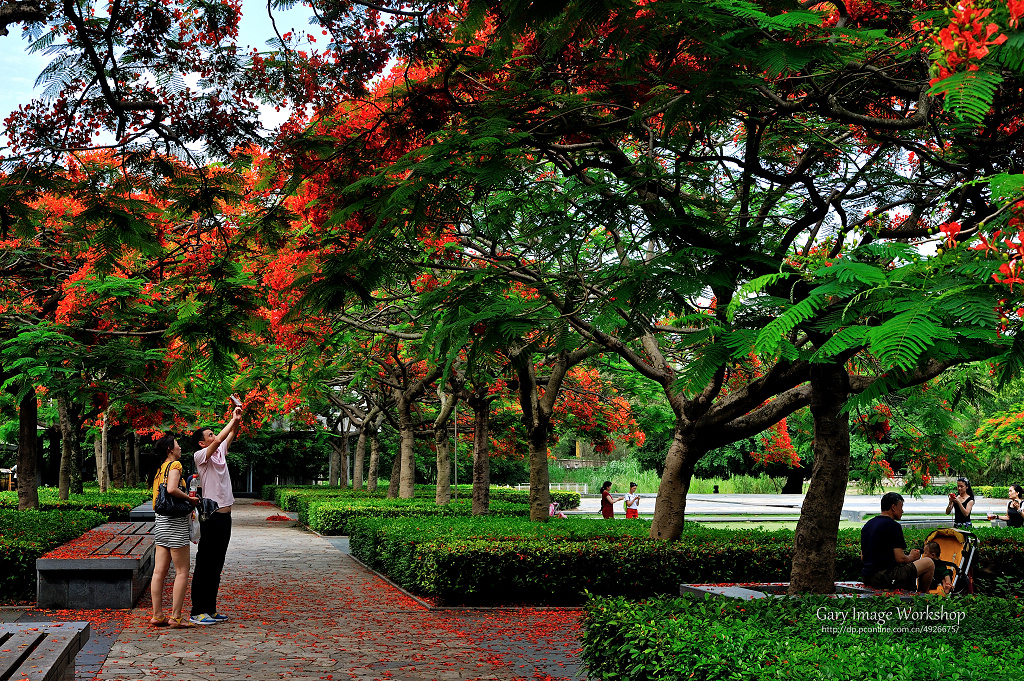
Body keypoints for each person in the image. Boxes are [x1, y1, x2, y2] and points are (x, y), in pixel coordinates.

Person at [189, 406, 242, 625]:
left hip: (225, 517)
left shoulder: (220, 454)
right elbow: (221, 438)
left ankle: (210, 609)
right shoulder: (200, 456)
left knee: (217, 564)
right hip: (211, 516)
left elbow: (230, 435)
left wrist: (237, 419)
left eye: (213, 434)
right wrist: (231, 419)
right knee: (205, 563)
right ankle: (197, 611)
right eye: (210, 435)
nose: (214, 436)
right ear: (202, 442)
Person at [150, 434, 201, 628]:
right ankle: (176, 617)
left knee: (159, 572)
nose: (180, 448)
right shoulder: (175, 466)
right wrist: (190, 499)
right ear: (170, 449)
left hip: (161, 521)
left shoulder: (160, 468)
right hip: (175, 523)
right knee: (182, 571)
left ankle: (157, 615)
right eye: (177, 445)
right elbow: (171, 489)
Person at [861, 492, 934, 592]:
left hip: (867, 577)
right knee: (928, 563)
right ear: (893, 507)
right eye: (901, 507)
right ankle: (921, 597)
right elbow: (900, 558)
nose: (902, 511)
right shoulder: (893, 526)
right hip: (886, 577)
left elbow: (863, 557)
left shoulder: (868, 525)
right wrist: (911, 557)